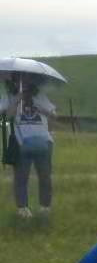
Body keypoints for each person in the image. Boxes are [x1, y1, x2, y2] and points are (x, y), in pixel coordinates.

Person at [7, 74, 56, 219]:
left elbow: (54, 115)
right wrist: (17, 99)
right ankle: (23, 209)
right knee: (21, 177)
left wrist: (42, 109)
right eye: (20, 81)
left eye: (27, 80)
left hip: (44, 142)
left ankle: (45, 207)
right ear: (15, 82)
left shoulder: (40, 96)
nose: (24, 83)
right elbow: (8, 115)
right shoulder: (10, 96)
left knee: (45, 176)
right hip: (21, 142)